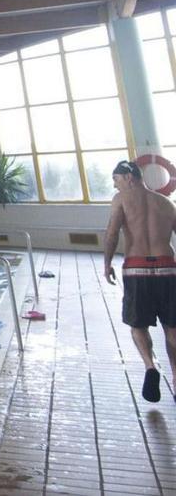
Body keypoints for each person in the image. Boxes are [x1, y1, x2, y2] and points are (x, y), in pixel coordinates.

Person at [103, 159, 176, 403]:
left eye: (116, 180)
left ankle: (151, 366)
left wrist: (107, 263)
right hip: (168, 268)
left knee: (138, 325)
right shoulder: (166, 203)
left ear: (129, 178)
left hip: (136, 269)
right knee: (172, 328)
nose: (115, 185)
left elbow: (112, 232)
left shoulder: (121, 200)